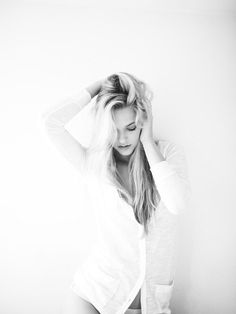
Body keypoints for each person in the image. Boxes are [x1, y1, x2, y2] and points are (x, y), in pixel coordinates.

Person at [41, 72, 191, 314]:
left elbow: (178, 204)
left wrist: (148, 143)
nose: (122, 139)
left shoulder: (168, 156)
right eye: (114, 129)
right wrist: (98, 86)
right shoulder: (95, 165)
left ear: (143, 120)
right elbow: (50, 122)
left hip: (151, 304)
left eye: (130, 128)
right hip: (95, 297)